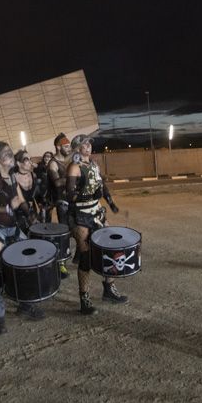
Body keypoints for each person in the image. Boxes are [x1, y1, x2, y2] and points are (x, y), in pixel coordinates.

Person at [0, 141, 44, 335]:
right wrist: (6, 208)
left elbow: (20, 200)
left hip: (12, 228)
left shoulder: (12, 178)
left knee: (25, 265)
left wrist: (31, 215)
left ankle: (24, 304)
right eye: (6, 154)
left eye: (10, 153)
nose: (11, 156)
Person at [66, 135, 127, 314]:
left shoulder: (93, 165)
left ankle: (109, 289)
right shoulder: (74, 167)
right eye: (84, 144)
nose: (88, 146)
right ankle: (84, 299)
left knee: (108, 249)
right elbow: (69, 196)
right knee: (85, 257)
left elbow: (102, 186)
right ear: (77, 148)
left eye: (89, 143)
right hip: (81, 215)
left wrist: (110, 202)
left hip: (96, 212)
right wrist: (87, 196)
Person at [46, 134, 71, 225]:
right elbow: (57, 183)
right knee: (65, 227)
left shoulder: (68, 160)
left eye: (69, 146)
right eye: (66, 147)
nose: (69, 149)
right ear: (58, 147)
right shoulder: (53, 163)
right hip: (61, 200)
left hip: (71, 197)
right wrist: (74, 178)